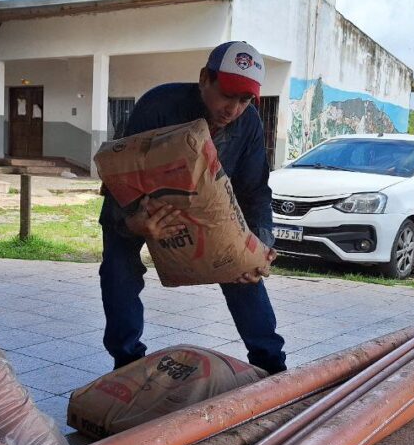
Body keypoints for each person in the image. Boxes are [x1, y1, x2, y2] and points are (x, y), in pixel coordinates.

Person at [98, 41, 287, 375]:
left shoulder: (249, 123)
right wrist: (132, 223)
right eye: (227, 94)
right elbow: (120, 176)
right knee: (118, 268)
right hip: (146, 210)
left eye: (245, 100)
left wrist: (260, 243)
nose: (234, 109)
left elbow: (255, 190)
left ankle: (272, 367)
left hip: (208, 208)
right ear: (204, 79)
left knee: (244, 273)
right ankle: (126, 363)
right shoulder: (158, 106)